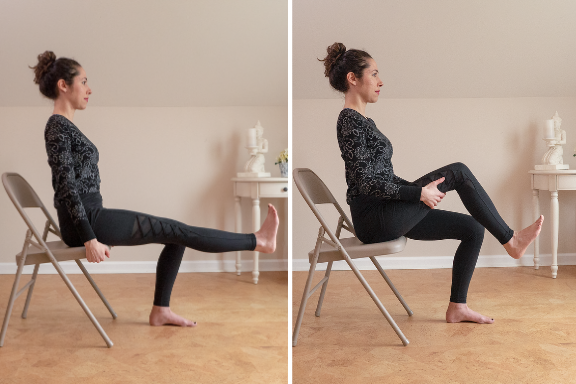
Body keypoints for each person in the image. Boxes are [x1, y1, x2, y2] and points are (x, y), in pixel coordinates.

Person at [31, 51, 279, 327]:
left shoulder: (65, 126)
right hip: (85, 223)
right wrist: (89, 240)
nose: (90, 89)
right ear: (64, 86)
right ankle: (258, 241)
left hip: (91, 216)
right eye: (84, 81)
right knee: (178, 231)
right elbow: (66, 188)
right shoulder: (57, 126)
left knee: (176, 235)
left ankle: (161, 310)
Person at [320, 42, 543, 324]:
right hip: (377, 220)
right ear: (353, 78)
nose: (381, 81)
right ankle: (511, 241)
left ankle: (457, 307)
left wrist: (417, 192)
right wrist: (417, 194)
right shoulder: (349, 121)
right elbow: (365, 183)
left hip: (388, 211)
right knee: (458, 171)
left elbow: (382, 178)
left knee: (473, 229)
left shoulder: (363, 121)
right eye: (374, 74)